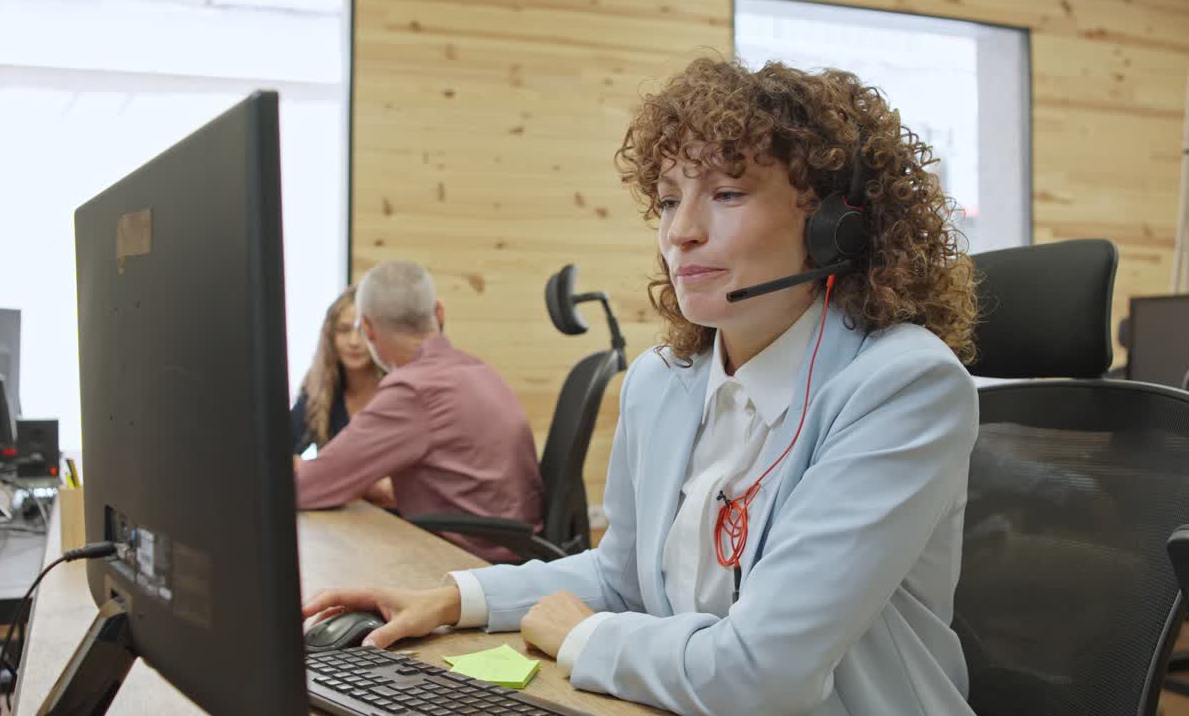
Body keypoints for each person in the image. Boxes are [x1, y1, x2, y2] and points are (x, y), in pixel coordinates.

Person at [304, 58, 981, 716]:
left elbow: (765, 672)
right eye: (666, 199)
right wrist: (455, 598)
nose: (680, 233)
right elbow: (619, 579)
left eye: (727, 193)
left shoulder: (901, 387)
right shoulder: (663, 382)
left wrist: (585, 637)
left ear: (839, 226)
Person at [292, 260, 544, 564]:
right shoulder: (478, 371)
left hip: (469, 563)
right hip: (518, 552)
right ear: (439, 313)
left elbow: (304, 489)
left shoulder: (412, 391)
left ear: (368, 329)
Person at [291, 286, 383, 455]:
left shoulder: (397, 388)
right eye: (344, 330)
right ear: (330, 337)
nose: (354, 342)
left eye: (363, 331)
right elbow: (277, 454)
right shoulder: (319, 391)